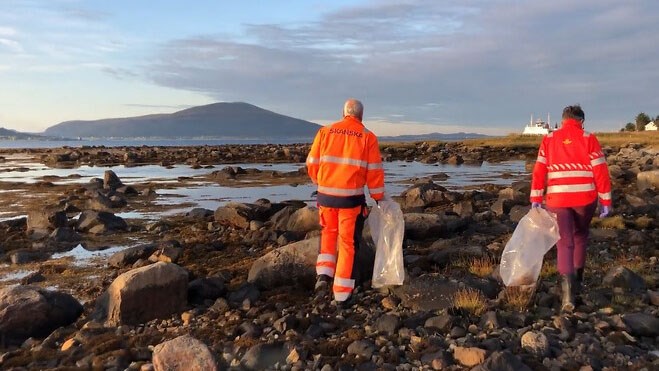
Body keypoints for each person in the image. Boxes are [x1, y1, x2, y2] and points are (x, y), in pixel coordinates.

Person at [530, 104, 612, 313]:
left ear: (563, 119)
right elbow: (600, 171)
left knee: (564, 242)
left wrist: (536, 197)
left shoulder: (549, 139)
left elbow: (539, 169)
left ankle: (567, 296)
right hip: (584, 198)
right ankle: (577, 284)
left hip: (557, 199)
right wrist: (606, 200)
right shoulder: (588, 138)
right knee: (580, 236)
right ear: (581, 121)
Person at [306, 98, 385, 307]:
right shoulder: (367, 137)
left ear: (343, 113)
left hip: (325, 197)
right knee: (348, 243)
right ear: (361, 115)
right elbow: (374, 172)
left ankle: (323, 276)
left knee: (328, 234)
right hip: (350, 200)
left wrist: (320, 182)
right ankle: (341, 294)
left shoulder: (325, 132)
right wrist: (378, 199)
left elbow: (312, 162)